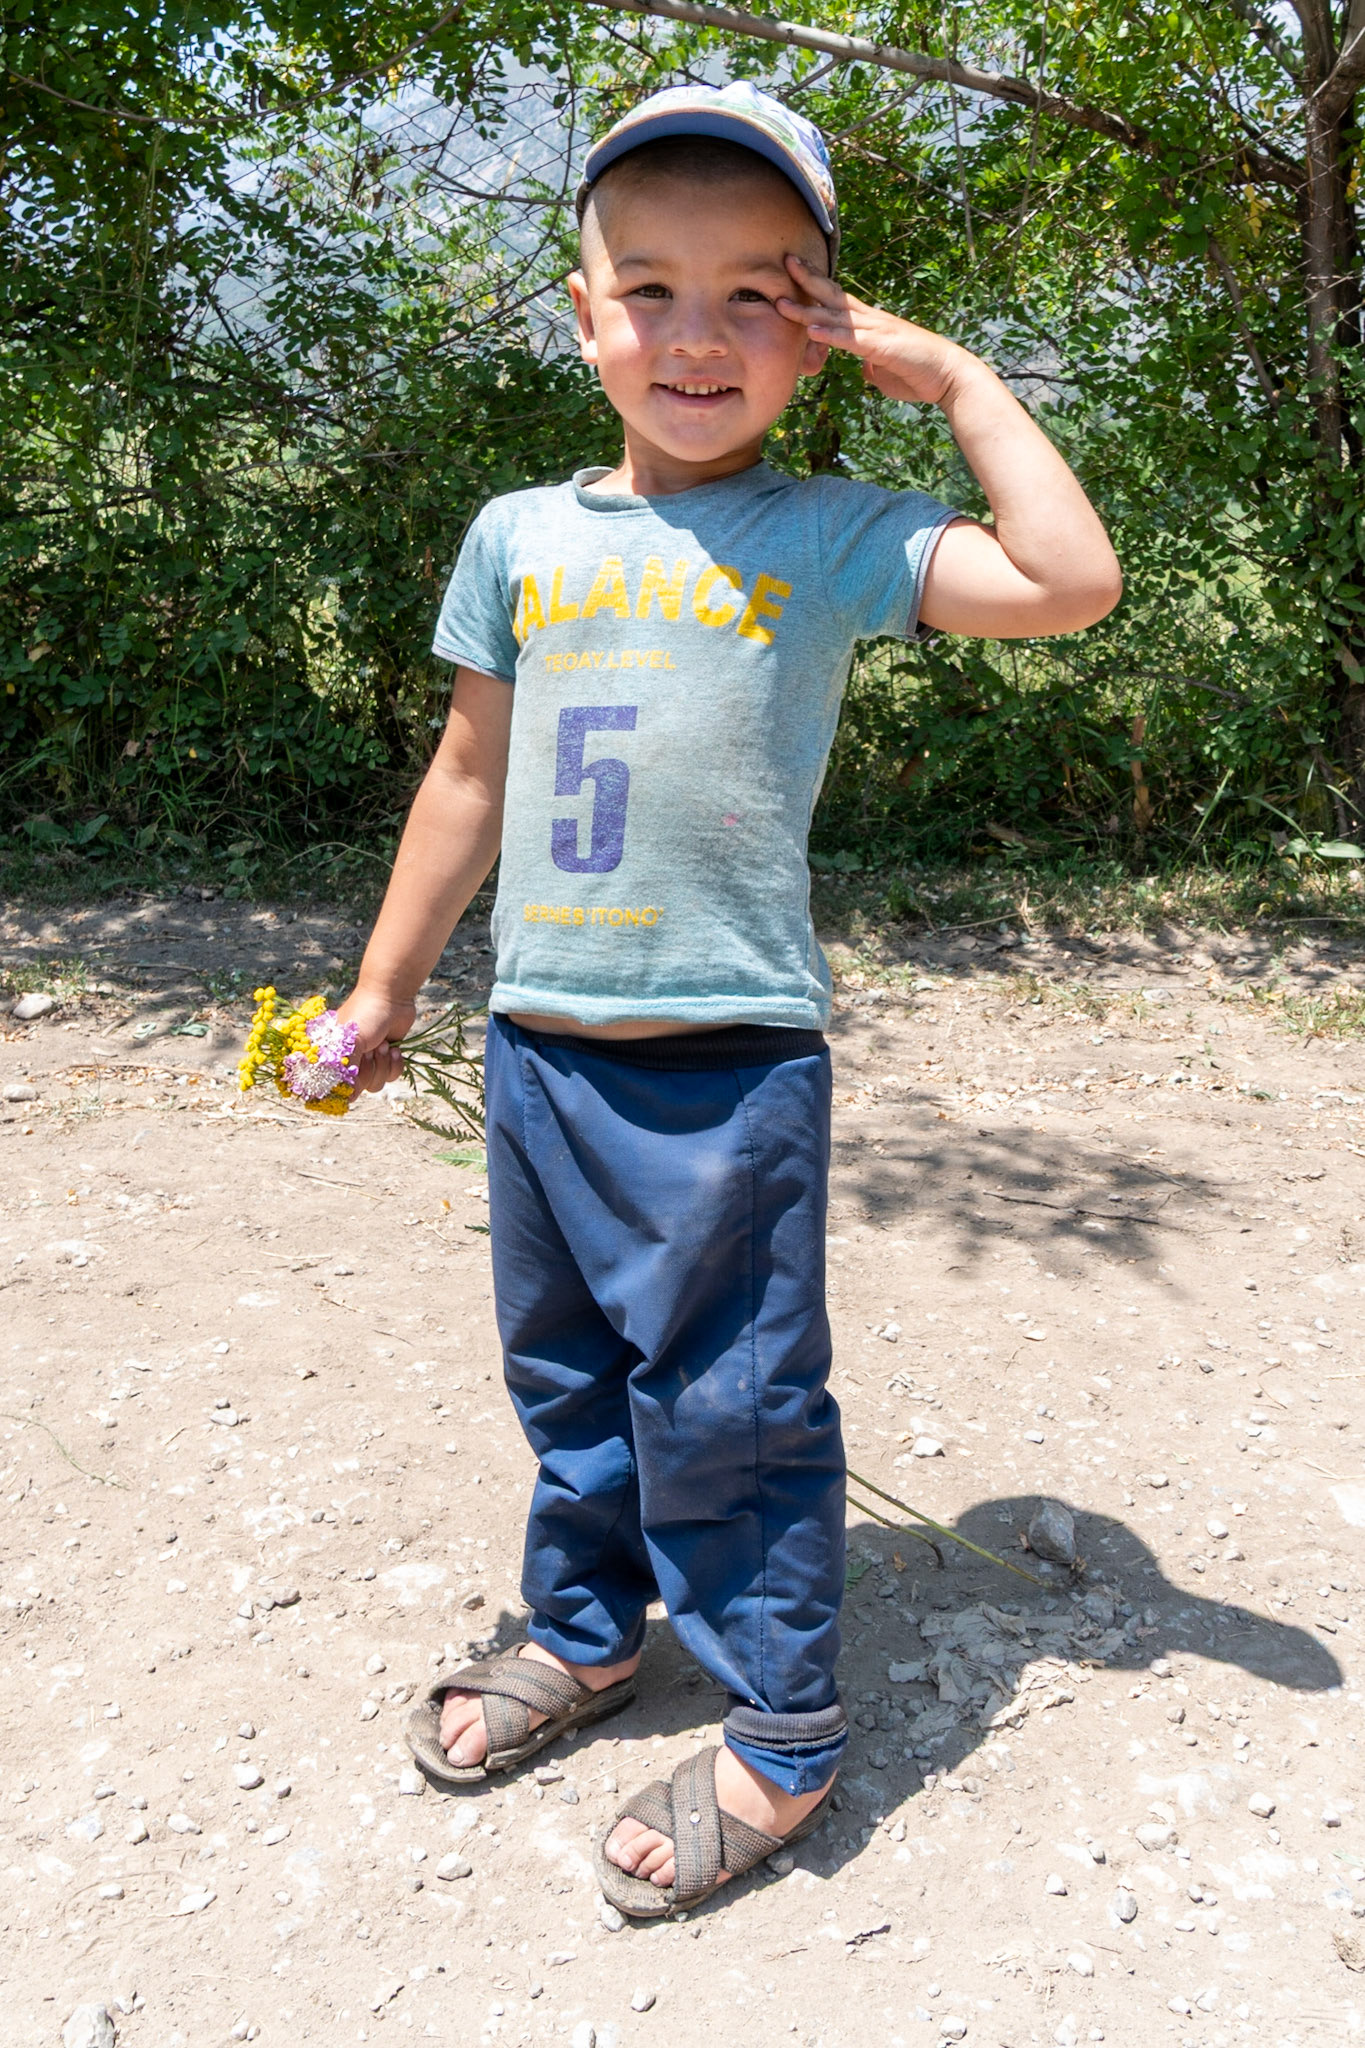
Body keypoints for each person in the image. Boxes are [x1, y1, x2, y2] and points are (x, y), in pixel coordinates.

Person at [337, 80, 1121, 1919]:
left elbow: (1069, 583)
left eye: (757, 294)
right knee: (568, 1377)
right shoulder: (518, 534)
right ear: (583, 307)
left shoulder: (835, 533)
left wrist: (966, 389)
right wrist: (383, 994)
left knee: (734, 1406)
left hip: (727, 1065)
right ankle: (592, 1629)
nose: (696, 337)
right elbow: (466, 778)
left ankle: (781, 1727)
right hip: (537, 1049)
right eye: (652, 289)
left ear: (825, 328)